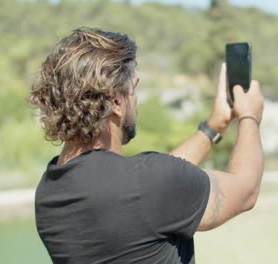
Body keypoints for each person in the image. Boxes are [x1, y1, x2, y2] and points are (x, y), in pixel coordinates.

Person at [30, 27, 264, 264]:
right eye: (134, 88)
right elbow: (246, 190)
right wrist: (249, 116)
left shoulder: (49, 191)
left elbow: (154, 190)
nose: (136, 99)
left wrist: (215, 125)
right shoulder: (147, 184)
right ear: (116, 102)